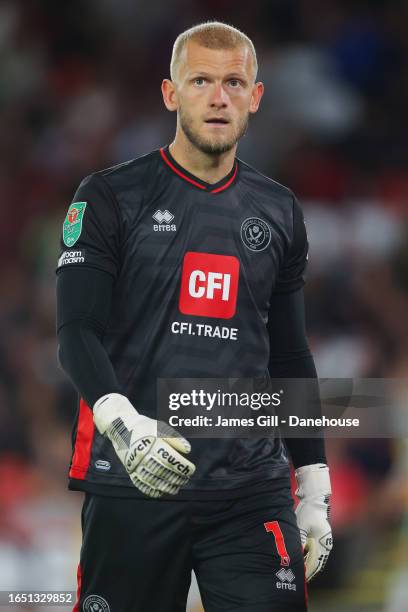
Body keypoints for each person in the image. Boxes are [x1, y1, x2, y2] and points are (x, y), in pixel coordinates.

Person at [56, 21, 332, 612]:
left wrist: (313, 480)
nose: (218, 96)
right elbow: (76, 331)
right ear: (170, 92)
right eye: (201, 80)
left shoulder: (279, 209)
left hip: (251, 490)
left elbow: (289, 353)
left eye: (234, 82)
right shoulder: (109, 196)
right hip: (134, 478)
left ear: (255, 97)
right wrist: (122, 424)